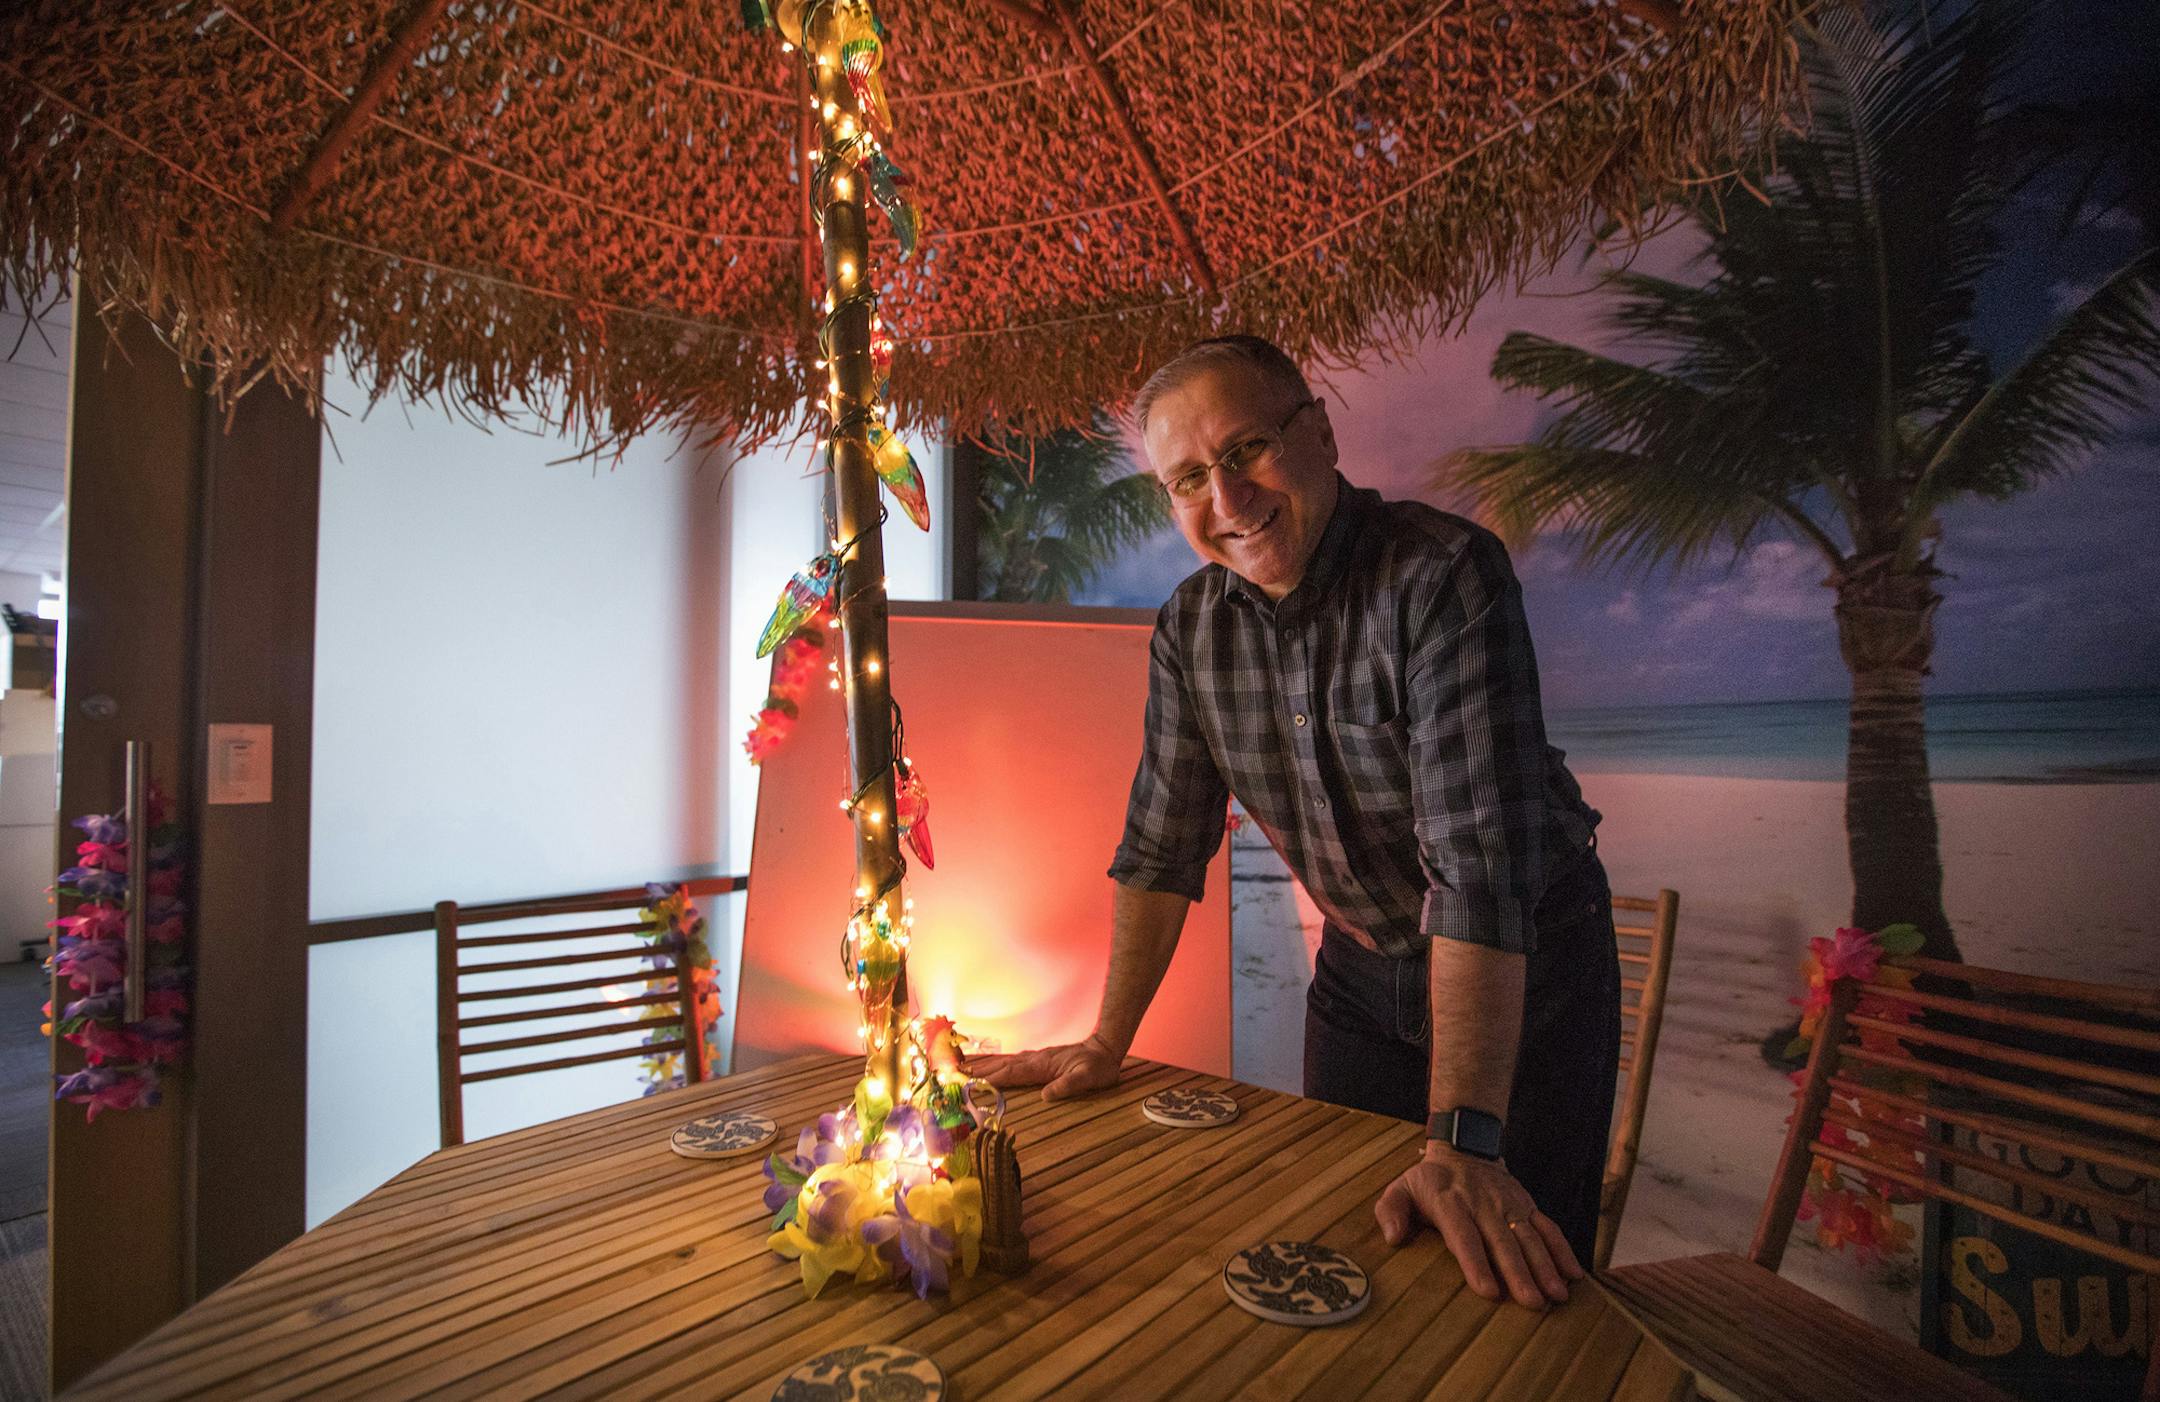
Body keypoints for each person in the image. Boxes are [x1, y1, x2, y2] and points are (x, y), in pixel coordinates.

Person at [977, 335, 1620, 1311]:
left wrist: (1465, 1141)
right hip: (1360, 976)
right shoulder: (1192, 628)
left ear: (1317, 433)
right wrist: (1106, 1038)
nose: (1227, 500)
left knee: (1512, 1285)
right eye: (1190, 476)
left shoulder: (1442, 574)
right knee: (1344, 1255)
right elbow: (1161, 844)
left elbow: (1479, 876)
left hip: (1530, 969)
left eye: (1246, 450)